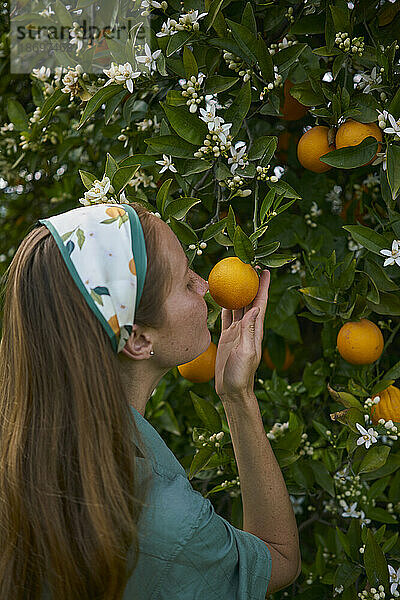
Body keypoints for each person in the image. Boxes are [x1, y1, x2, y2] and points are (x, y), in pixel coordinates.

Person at [0, 200, 301, 599]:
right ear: (139, 339)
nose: (205, 285)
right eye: (185, 281)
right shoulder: (165, 522)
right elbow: (278, 560)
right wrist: (240, 397)